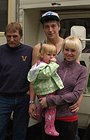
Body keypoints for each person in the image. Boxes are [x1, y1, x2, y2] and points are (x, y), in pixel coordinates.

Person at [28, 11, 83, 139]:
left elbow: (78, 74)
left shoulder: (68, 46)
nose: (50, 30)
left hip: (66, 103)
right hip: (46, 101)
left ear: (59, 26)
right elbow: (34, 77)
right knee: (48, 134)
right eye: (47, 27)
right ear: (43, 28)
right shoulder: (38, 48)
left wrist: (78, 99)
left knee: (70, 136)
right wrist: (31, 101)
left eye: (53, 26)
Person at [0, 22, 33, 140]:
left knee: (20, 132)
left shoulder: (29, 52)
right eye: (8, 36)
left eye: (15, 36)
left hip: (23, 98)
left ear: (21, 36)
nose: (11, 39)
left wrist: (31, 94)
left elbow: (35, 74)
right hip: (3, 98)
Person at [39, 36, 88, 140]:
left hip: (67, 117)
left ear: (78, 51)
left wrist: (50, 100)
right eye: (66, 49)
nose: (69, 53)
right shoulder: (55, 66)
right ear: (62, 50)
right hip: (48, 116)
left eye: (73, 50)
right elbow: (43, 84)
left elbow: (75, 95)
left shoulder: (82, 70)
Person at [27, 43, 64, 136]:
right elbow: (47, 73)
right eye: (49, 54)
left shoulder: (41, 64)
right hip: (47, 91)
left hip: (44, 91)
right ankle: (49, 127)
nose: (52, 57)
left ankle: (39, 114)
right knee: (51, 108)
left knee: (42, 104)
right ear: (41, 55)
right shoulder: (42, 66)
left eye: (54, 55)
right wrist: (53, 64)